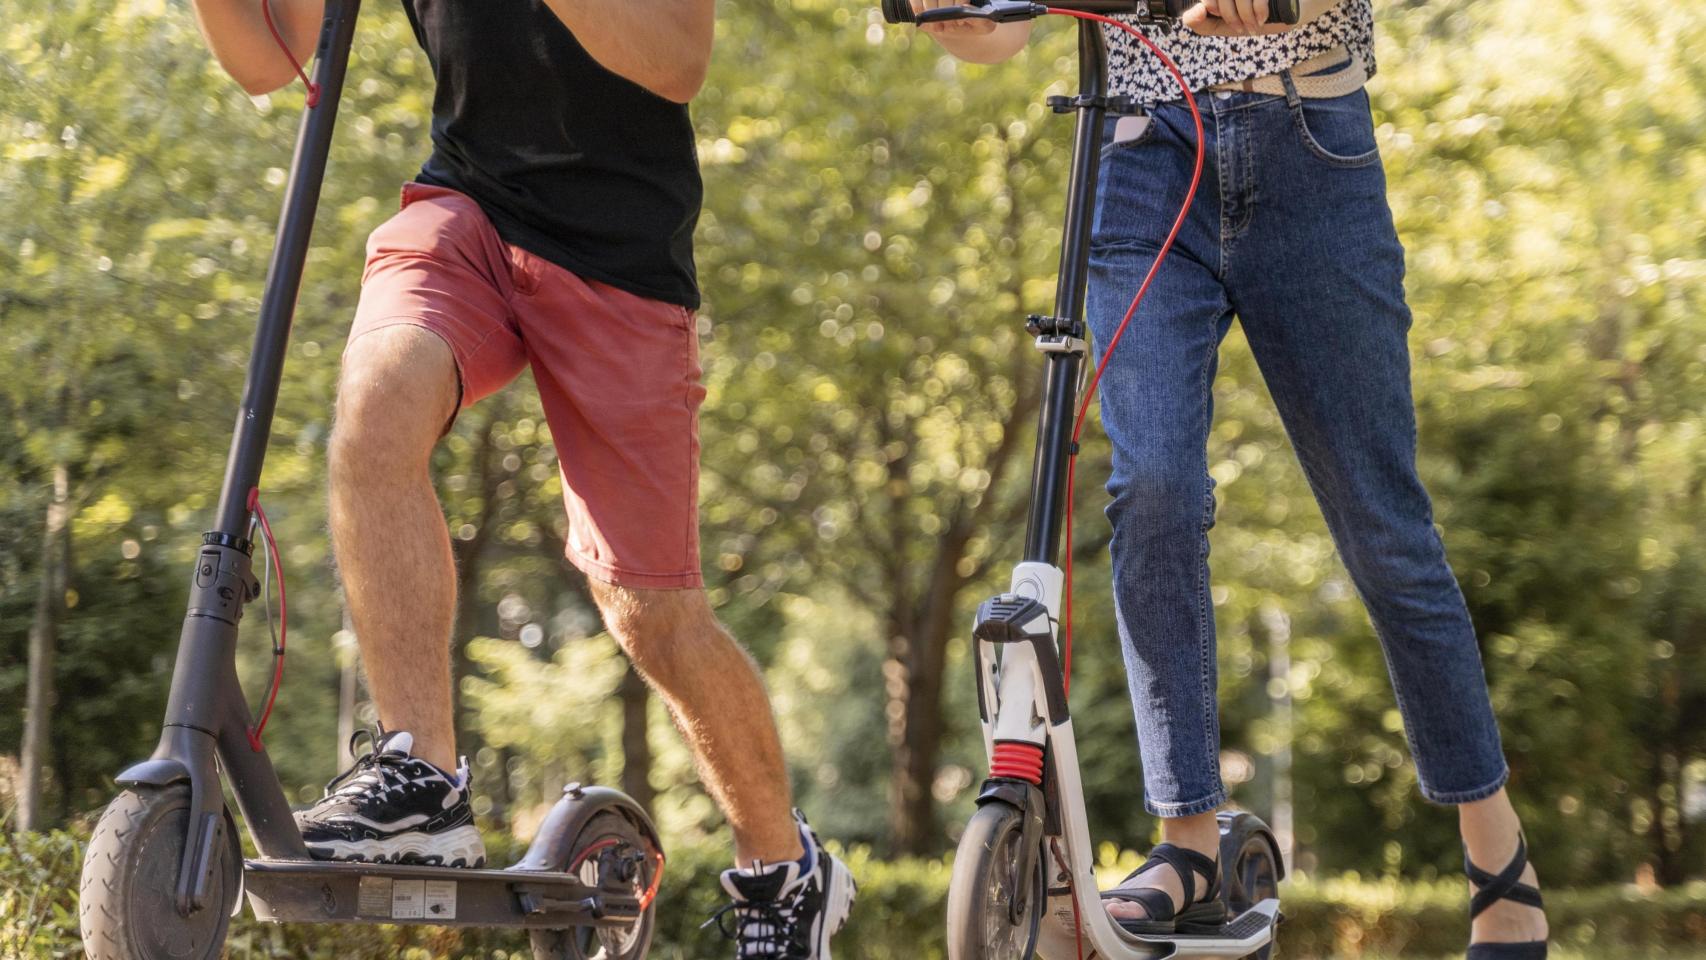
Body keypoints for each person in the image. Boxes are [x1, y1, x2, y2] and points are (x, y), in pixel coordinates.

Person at [185, 1, 854, 955]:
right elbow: (271, 59)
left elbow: (677, 59)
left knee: (651, 612)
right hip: (468, 209)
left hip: (621, 254)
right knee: (375, 414)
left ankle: (784, 869)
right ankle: (422, 779)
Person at [920, 0, 1548, 955]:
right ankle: (1189, 842)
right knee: (1155, 489)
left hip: (1311, 146)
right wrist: (956, 14)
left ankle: (1495, 849)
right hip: (1140, 161)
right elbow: (1006, 31)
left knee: (1384, 530)